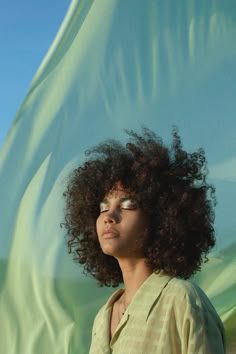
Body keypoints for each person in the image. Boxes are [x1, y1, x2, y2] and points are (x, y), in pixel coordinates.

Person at [63, 128, 225, 353]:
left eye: (127, 205)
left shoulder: (182, 300)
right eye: (103, 207)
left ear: (161, 218)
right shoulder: (103, 318)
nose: (109, 217)